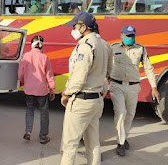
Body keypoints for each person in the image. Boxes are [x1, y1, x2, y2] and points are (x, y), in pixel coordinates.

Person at [60, 12, 113, 165]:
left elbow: (79, 76)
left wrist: (66, 94)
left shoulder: (85, 45)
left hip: (82, 101)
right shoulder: (105, 44)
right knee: (93, 143)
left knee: (69, 145)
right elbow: (109, 72)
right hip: (96, 100)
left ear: (83, 27)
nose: (73, 29)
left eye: (75, 26)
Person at [109, 25, 160, 156]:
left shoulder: (140, 49)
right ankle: (120, 143)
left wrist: (154, 87)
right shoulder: (113, 47)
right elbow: (106, 65)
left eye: (132, 36)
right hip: (116, 85)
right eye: (127, 36)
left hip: (133, 86)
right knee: (120, 112)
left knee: (130, 114)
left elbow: (148, 68)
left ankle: (123, 136)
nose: (130, 38)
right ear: (121, 35)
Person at [18, 35, 56, 144]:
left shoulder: (25, 56)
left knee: (30, 109)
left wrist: (22, 83)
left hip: (29, 89)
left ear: (31, 44)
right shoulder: (45, 58)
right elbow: (49, 76)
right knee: (44, 112)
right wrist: (52, 90)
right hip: (42, 90)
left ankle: (28, 131)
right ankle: (43, 137)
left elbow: (20, 74)